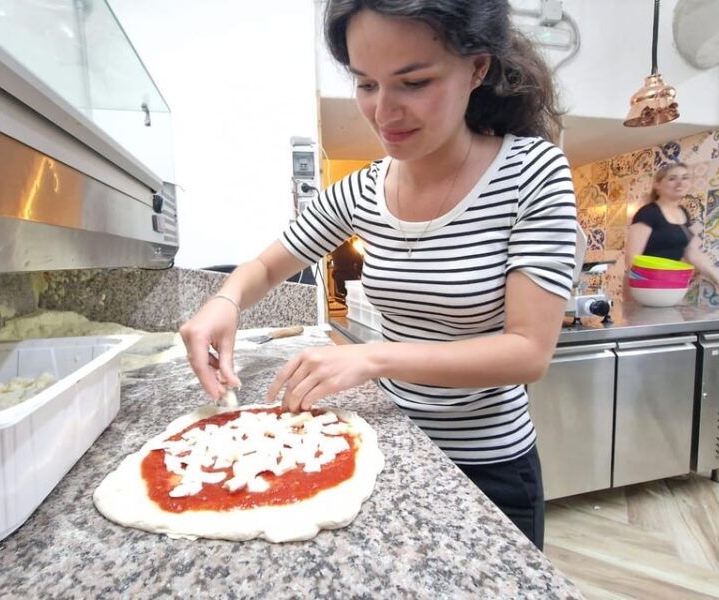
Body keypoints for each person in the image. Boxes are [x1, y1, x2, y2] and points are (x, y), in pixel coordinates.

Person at [179, 0, 577, 550]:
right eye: (366, 84)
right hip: (389, 447)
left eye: (413, 82)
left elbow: (528, 352)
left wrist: (370, 357)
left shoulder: (532, 173)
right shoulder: (362, 190)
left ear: (477, 69)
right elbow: (268, 266)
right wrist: (223, 301)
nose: (384, 111)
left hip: (488, 467)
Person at [626, 162, 719, 298]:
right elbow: (632, 259)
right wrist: (651, 286)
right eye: (672, 178)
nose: (680, 183)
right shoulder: (648, 212)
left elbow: (693, 254)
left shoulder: (683, 213)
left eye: (685, 178)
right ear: (657, 185)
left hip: (671, 285)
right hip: (645, 287)